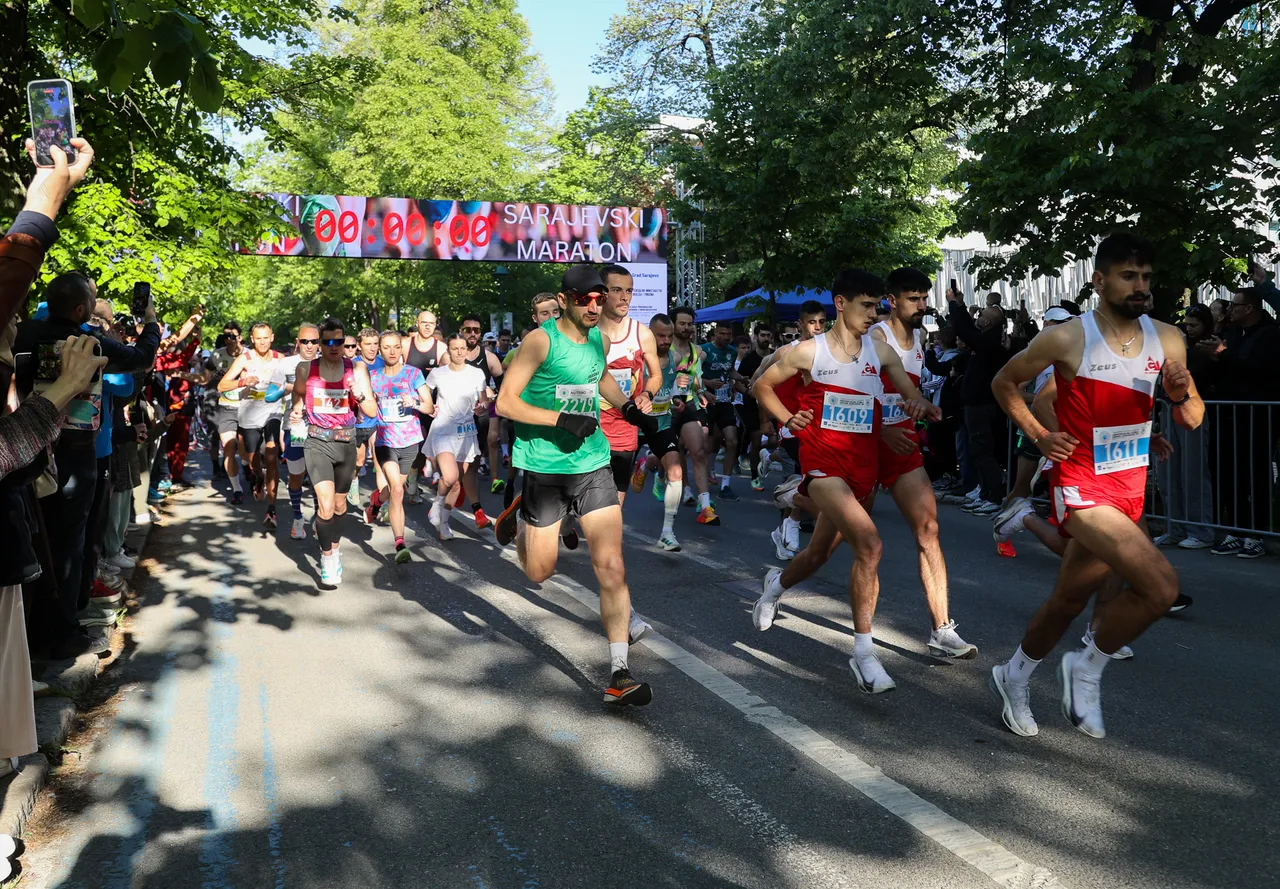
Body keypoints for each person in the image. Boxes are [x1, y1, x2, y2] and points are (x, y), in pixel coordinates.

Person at [989, 232, 1203, 739]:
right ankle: (1087, 667)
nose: (1140, 286)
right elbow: (1004, 382)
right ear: (1099, 279)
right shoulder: (1068, 336)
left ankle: (1012, 675)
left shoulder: (1169, 337)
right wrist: (1040, 435)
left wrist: (1179, 395)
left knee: (1068, 599)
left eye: (1147, 277)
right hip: (1082, 485)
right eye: (1129, 276)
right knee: (1160, 586)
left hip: (1129, 486)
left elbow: (1192, 418)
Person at [753, 269, 941, 693]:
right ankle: (864, 654)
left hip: (863, 470)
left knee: (818, 554)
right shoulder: (808, 351)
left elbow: (907, 395)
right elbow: (761, 385)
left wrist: (921, 406)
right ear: (841, 304)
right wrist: (789, 420)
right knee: (870, 546)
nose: (875, 315)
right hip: (823, 467)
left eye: (879, 306)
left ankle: (773, 588)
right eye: (867, 306)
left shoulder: (880, 353)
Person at [494, 264, 658, 706]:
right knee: (539, 573)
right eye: (586, 298)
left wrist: (628, 408)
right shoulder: (540, 341)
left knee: (612, 565)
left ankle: (619, 673)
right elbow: (505, 402)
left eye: (599, 297)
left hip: (592, 464)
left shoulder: (598, 339)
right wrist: (560, 419)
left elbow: (598, 376)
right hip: (546, 469)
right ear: (565, 299)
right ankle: (522, 516)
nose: (595, 305)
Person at [15, 268, 160, 659]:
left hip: (22, 451)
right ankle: (62, 633)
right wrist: (150, 321)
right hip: (75, 455)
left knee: (33, 543)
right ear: (81, 309)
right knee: (69, 546)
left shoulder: (22, 334)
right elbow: (142, 358)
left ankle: (34, 630)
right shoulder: (90, 343)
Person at [866, 267, 977, 658]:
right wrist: (881, 429)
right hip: (865, 446)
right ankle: (781, 572)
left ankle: (941, 630)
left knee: (928, 528)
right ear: (891, 300)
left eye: (925, 298)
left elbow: (908, 391)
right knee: (827, 546)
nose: (922, 305)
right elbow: (850, 395)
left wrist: (925, 406)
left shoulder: (921, 337)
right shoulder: (874, 338)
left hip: (903, 446)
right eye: (914, 299)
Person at [287, 318, 378, 587]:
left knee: (339, 506)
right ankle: (327, 558)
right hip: (317, 441)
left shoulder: (357, 368)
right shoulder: (306, 368)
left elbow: (372, 412)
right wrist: (297, 409)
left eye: (338, 342)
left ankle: (334, 548)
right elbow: (298, 396)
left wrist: (359, 396)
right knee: (325, 504)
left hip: (346, 442)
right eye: (327, 342)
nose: (333, 347)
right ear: (319, 345)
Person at [1199, 287, 1279, 558]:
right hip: (1228, 414)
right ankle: (1235, 529)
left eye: (1235, 305)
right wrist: (1212, 356)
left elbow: (1260, 370)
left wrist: (1224, 355)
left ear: (1250, 308)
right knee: (1228, 472)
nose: (1230, 309)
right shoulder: (1231, 333)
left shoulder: (1270, 334)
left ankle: (1256, 533)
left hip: (1257, 416)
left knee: (1254, 474)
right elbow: (1226, 369)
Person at [597, 264, 662, 507]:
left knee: (615, 502)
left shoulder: (642, 334)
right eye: (617, 290)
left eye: (629, 291)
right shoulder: (587, 332)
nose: (625, 297)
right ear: (602, 293)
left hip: (625, 425)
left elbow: (656, 376)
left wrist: (647, 393)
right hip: (589, 425)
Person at [368, 331, 432, 561]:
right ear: (379, 350)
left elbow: (429, 407)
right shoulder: (372, 377)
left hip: (409, 442)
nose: (392, 351)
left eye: (396, 347)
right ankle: (400, 543)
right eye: (387, 347)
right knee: (397, 490)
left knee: (395, 490)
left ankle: (376, 500)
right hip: (385, 441)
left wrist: (414, 402)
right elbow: (364, 408)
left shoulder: (413, 374)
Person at [946, 296, 1011, 516]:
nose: (979, 316)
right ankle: (985, 492)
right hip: (976, 406)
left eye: (982, 315)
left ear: (988, 323)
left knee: (984, 451)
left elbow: (963, 330)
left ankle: (993, 496)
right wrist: (960, 306)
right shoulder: (984, 341)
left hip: (983, 406)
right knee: (978, 451)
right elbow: (966, 329)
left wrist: (956, 306)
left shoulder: (989, 343)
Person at [628, 313, 686, 551]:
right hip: (634, 423)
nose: (665, 340)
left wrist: (676, 400)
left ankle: (667, 532)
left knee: (675, 469)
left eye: (669, 336)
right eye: (660, 336)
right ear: (649, 336)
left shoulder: (675, 356)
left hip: (661, 422)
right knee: (613, 478)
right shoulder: (637, 359)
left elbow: (671, 387)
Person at [424, 333, 491, 539]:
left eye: (463, 348)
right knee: (450, 476)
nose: (460, 352)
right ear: (448, 351)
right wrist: (429, 407)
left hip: (466, 430)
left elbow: (483, 400)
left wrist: (482, 407)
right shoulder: (438, 373)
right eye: (455, 348)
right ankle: (436, 506)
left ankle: (443, 523)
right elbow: (424, 392)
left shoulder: (476, 373)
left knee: (456, 482)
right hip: (443, 428)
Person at [218, 322, 285, 526]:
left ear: (272, 337)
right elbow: (222, 385)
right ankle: (257, 477)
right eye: (259, 338)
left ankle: (271, 510)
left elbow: (296, 381)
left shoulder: (280, 359)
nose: (263, 342)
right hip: (249, 415)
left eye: (266, 338)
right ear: (252, 339)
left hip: (272, 413)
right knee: (253, 459)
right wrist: (242, 382)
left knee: (272, 455)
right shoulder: (244, 359)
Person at [668, 305, 718, 525]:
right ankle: (646, 463)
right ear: (673, 325)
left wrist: (700, 391)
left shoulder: (695, 351)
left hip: (687, 406)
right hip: (664, 409)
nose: (687, 327)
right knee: (667, 457)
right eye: (682, 323)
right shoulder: (663, 348)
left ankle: (705, 506)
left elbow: (694, 375)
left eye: (690, 324)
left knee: (698, 452)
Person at [279, 324, 321, 539]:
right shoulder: (286, 364)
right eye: (305, 341)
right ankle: (297, 517)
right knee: (296, 476)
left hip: (321, 427)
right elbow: (271, 391)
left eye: (314, 341)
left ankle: (318, 517)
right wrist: (288, 389)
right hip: (295, 427)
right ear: (298, 342)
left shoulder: (327, 364)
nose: (310, 346)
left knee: (317, 477)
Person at [404, 310, 447, 503]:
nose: (428, 326)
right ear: (417, 323)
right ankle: (404, 482)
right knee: (413, 446)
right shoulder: (406, 345)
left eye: (432, 323)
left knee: (426, 449)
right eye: (424, 323)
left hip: (432, 405)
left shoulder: (441, 348)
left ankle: (413, 477)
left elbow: (450, 374)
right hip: (409, 404)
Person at [699, 319, 743, 502]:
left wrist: (742, 379)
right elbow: (693, 374)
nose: (725, 337)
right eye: (722, 334)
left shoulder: (732, 352)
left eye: (728, 335)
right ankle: (705, 474)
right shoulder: (704, 350)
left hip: (724, 401)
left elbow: (730, 371)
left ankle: (726, 485)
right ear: (715, 333)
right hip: (705, 400)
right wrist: (707, 384)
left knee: (732, 441)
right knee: (707, 444)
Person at [206, 322, 246, 501]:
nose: (228, 340)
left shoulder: (249, 355)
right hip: (224, 406)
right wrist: (181, 375)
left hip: (247, 408)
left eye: (232, 336)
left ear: (240, 337)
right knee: (228, 446)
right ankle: (237, 489)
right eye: (225, 336)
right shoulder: (216, 355)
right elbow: (203, 377)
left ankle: (247, 467)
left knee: (246, 449)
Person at [348, 328, 385, 520]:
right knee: (359, 461)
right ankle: (353, 479)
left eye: (375, 344)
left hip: (377, 419)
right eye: (368, 344)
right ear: (359, 346)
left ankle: (382, 503)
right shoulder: (353, 366)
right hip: (358, 421)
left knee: (380, 463)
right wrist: (358, 410)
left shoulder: (384, 363)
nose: (372, 348)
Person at [735, 324, 774, 491]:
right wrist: (748, 393)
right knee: (756, 440)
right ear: (756, 337)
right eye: (763, 335)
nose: (766, 338)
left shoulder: (775, 357)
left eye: (768, 335)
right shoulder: (748, 359)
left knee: (773, 441)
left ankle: (765, 457)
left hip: (772, 405)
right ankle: (754, 477)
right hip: (751, 405)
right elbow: (738, 382)